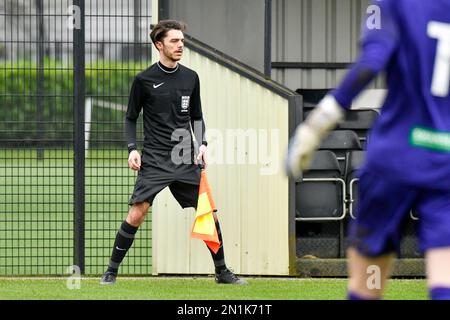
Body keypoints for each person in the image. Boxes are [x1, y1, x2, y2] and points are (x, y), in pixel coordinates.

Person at [286, 0, 450, 300]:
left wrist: (315, 126)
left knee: (368, 282)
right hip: (444, 161)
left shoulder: (393, 3)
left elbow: (372, 60)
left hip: (395, 155)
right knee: (444, 275)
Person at [100, 20, 247, 285]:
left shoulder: (191, 77)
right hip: (154, 160)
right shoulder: (144, 80)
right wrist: (132, 149)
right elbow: (130, 118)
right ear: (159, 45)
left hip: (184, 157)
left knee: (208, 213)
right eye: (174, 41)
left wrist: (202, 144)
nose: (180, 45)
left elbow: (197, 116)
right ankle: (111, 272)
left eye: (182, 41)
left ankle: (222, 272)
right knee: (137, 213)